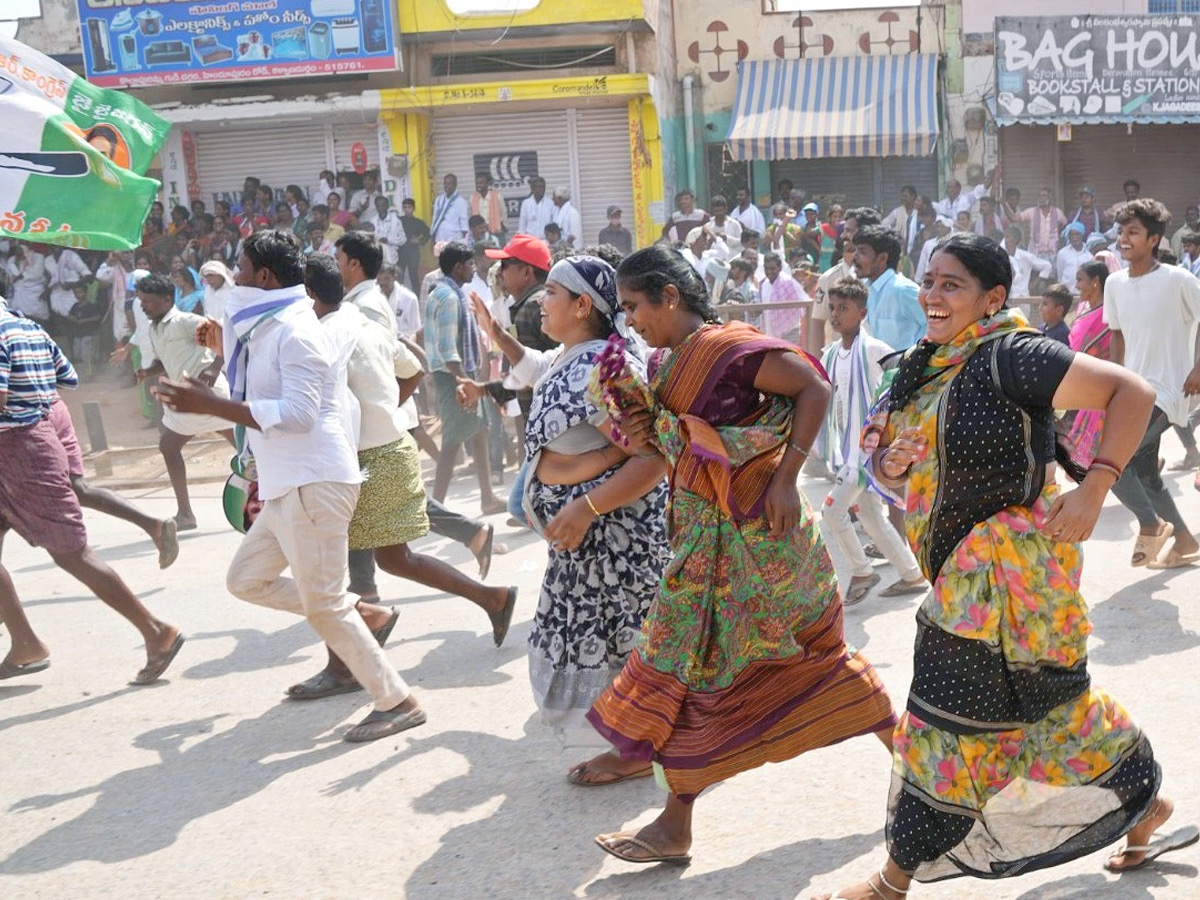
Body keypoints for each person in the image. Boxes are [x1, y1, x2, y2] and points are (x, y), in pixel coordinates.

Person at [815, 232, 1177, 900]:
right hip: (960, 576)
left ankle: (894, 880)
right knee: (1057, 715)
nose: (932, 296)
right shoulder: (922, 365)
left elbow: (1135, 392)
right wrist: (889, 465)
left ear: (994, 298)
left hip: (1016, 583)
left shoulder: (1014, 356)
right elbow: (897, 462)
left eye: (951, 285)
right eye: (929, 282)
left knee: (940, 724)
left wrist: (1097, 485)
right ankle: (1145, 802)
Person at [587, 246, 897, 865]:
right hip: (707, 544)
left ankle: (928, 771)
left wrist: (786, 478)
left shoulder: (730, 348)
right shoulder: (669, 362)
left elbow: (815, 387)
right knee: (699, 672)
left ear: (669, 298)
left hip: (767, 539)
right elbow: (690, 449)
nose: (631, 321)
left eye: (635, 307)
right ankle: (675, 822)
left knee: (809, 661)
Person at [156, 229, 423, 743]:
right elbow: (254, 362)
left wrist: (212, 406)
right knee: (246, 580)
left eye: (239, 265)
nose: (233, 275)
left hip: (315, 482)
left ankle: (399, 701)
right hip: (287, 485)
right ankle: (360, 613)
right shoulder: (269, 324)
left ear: (263, 276)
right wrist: (218, 346)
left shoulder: (296, 329)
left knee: (324, 604)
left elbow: (298, 414)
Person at [461, 255, 670, 773]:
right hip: (583, 545)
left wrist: (585, 502)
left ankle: (643, 751)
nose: (539, 300)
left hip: (614, 544)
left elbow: (654, 456)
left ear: (582, 305)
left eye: (551, 292)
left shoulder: (610, 369)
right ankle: (637, 743)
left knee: (622, 644)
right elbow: (536, 370)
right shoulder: (571, 357)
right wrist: (495, 334)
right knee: (601, 646)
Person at [284, 255, 519, 700]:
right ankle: (492, 599)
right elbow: (413, 367)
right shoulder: (361, 322)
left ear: (309, 297)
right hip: (384, 452)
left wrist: (371, 418)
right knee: (390, 560)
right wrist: (384, 411)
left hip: (360, 460)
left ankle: (346, 665)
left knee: (341, 570)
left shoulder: (321, 335)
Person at [0, 304, 183, 683]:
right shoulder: (27, 327)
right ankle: (25, 644)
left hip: (18, 447)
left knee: (70, 552)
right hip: (37, 428)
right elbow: (67, 378)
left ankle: (156, 632)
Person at [1103, 199, 1200, 568]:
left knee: (1112, 465)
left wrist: (1198, 367)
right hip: (1136, 391)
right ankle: (1186, 540)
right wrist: (1116, 384)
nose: (1124, 239)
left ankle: (1150, 524)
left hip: (1171, 389)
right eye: (1121, 232)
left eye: (1133, 232)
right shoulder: (1114, 283)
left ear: (1154, 239)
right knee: (1145, 473)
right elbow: (1118, 336)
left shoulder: (1178, 280)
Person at [817, 277, 925, 604]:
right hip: (849, 453)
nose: (835, 315)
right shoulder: (831, 355)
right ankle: (911, 574)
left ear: (862, 313)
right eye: (833, 308)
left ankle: (862, 571)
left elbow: (902, 388)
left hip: (867, 453)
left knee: (832, 512)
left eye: (844, 309)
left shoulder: (876, 351)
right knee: (871, 517)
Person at [136, 274, 236, 529]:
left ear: (167, 299)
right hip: (186, 401)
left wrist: (214, 368)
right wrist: (148, 372)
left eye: (148, 301)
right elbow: (165, 361)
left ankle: (272, 498)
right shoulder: (154, 328)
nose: (143, 306)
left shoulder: (185, 321)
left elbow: (223, 338)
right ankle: (185, 514)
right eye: (141, 301)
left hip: (210, 396)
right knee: (169, 448)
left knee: (248, 450)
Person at [425, 242, 505, 513]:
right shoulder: (449, 298)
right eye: (470, 264)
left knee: (479, 431)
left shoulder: (445, 292)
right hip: (454, 375)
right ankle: (436, 507)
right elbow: (448, 349)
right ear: (458, 267)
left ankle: (487, 498)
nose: (473, 268)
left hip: (457, 373)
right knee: (452, 441)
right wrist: (463, 382)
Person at [1065, 260, 1113, 469]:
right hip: (1084, 382)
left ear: (1095, 282)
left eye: (1080, 280)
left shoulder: (1109, 314)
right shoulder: (1083, 308)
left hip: (1102, 385)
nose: (1076, 286)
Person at [854, 225, 926, 352]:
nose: (855, 257)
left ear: (882, 258)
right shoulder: (866, 289)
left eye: (862, 252)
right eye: (855, 251)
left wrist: (916, 357)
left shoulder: (903, 290)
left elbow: (933, 325)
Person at [808, 237, 855, 356]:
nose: (855, 254)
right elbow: (817, 321)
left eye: (859, 250)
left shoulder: (873, 276)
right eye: (850, 250)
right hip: (840, 354)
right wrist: (818, 366)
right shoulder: (829, 279)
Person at [759, 250, 806, 344]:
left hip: (790, 332)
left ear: (780, 268)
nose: (769, 271)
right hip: (769, 333)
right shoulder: (763, 284)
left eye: (772, 268)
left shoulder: (788, 282)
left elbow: (804, 304)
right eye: (766, 268)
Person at [1002, 225, 1053, 299]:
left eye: (1008, 237)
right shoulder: (1001, 257)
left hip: (1023, 296)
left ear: (1015, 239)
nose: (1005, 240)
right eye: (1004, 237)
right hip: (1007, 298)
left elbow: (1047, 266)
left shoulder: (1026, 256)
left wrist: (1034, 283)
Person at [1019, 188, 1069, 262]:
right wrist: (1005, 204)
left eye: (1044, 195)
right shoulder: (1032, 212)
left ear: (1050, 198)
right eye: (1039, 196)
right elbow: (1014, 218)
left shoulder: (1057, 212)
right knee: (1034, 273)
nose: (1041, 198)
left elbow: (1066, 225)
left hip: (1052, 253)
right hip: (1035, 252)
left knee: (1051, 273)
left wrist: (1058, 231)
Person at [396, 198, 429, 292]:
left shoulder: (418, 222)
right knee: (399, 274)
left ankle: (417, 296)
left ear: (414, 208)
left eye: (409, 207)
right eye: (405, 207)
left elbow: (427, 233)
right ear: (402, 208)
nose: (407, 210)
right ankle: (398, 295)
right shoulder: (399, 220)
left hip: (413, 252)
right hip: (401, 251)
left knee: (413, 274)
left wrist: (420, 240)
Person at [883, 185, 921, 260]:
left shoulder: (918, 212)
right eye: (902, 196)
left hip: (916, 250)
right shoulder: (897, 212)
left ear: (913, 196)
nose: (902, 199)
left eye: (905, 196)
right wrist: (894, 234)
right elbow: (884, 224)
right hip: (900, 250)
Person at [431, 174, 469, 244]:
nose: (446, 186)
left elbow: (464, 223)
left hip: (455, 239)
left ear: (455, 185)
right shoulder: (439, 200)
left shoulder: (461, 202)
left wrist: (465, 241)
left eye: (449, 184)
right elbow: (435, 219)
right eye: (445, 183)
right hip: (440, 238)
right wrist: (432, 236)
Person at [1055, 222, 1093, 292]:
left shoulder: (1089, 255)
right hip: (1066, 293)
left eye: (1077, 234)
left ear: (1082, 235)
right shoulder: (1062, 253)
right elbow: (1060, 275)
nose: (1074, 237)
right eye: (1072, 235)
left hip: (1083, 292)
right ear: (1069, 237)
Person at [372, 196, 407, 267]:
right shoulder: (372, 221)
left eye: (383, 206)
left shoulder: (396, 220)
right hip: (377, 258)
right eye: (378, 206)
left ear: (388, 206)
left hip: (392, 258)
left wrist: (388, 240)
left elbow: (403, 240)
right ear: (376, 207)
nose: (381, 208)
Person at [200, 260, 234, 324]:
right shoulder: (207, 290)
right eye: (207, 276)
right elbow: (206, 312)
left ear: (221, 274)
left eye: (211, 275)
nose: (209, 279)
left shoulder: (233, 290)